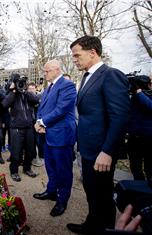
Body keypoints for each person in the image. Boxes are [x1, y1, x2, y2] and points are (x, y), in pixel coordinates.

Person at [67, 35, 130, 234]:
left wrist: (108, 151)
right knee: (92, 192)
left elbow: (119, 117)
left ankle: (105, 228)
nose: (74, 60)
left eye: (77, 55)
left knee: (102, 196)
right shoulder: (87, 77)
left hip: (101, 152)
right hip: (87, 148)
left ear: (92, 52)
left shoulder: (111, 75)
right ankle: (91, 223)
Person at [33, 60, 77, 217]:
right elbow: (42, 108)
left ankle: (62, 199)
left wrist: (42, 122)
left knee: (63, 170)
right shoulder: (48, 88)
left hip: (62, 135)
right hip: (49, 134)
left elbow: (61, 110)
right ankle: (51, 191)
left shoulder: (67, 85)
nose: (44, 74)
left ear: (57, 69)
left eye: (47, 71)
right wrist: (39, 121)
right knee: (50, 166)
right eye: (44, 71)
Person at [2, 73, 39, 182]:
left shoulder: (26, 93)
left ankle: (27, 168)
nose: (20, 85)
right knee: (16, 152)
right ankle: (14, 171)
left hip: (29, 127)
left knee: (30, 151)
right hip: (16, 128)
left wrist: (25, 90)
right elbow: (4, 104)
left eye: (22, 83)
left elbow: (36, 99)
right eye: (19, 82)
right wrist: (13, 91)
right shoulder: (11, 93)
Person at [127, 75, 152, 181]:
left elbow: (150, 106)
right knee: (135, 167)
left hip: (149, 139)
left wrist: (139, 91)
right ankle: (139, 189)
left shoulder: (141, 94)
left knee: (150, 169)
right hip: (134, 138)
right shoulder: (135, 96)